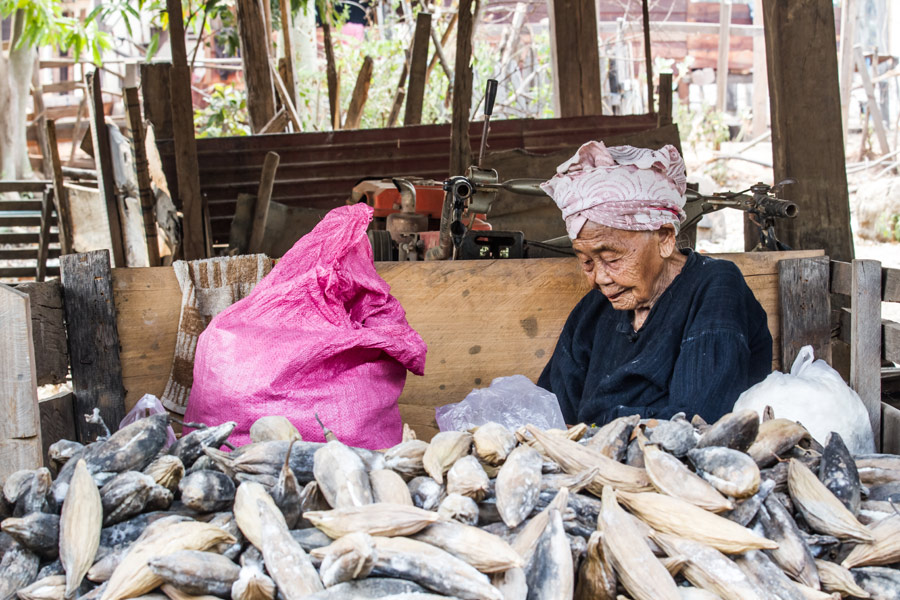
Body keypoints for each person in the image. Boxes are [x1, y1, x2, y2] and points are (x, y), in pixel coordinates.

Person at [536, 141, 772, 426]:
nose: (598, 278)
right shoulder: (594, 309)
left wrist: (597, 427)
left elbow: (695, 421)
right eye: (585, 261)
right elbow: (549, 411)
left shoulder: (715, 288)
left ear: (664, 238)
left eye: (611, 258)